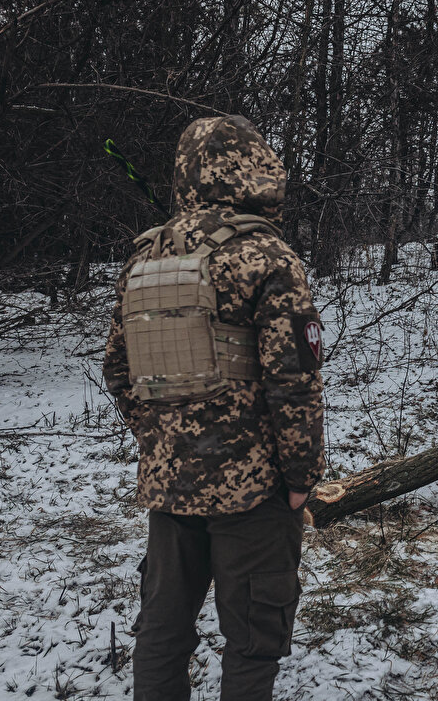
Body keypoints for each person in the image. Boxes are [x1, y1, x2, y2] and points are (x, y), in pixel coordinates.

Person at [103, 115, 325, 701]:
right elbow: (293, 383)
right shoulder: (268, 256)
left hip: (169, 486)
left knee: (162, 631)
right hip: (253, 489)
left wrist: (162, 440)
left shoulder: (145, 256)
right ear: (257, 169)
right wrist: (300, 477)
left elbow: (119, 371)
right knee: (253, 638)